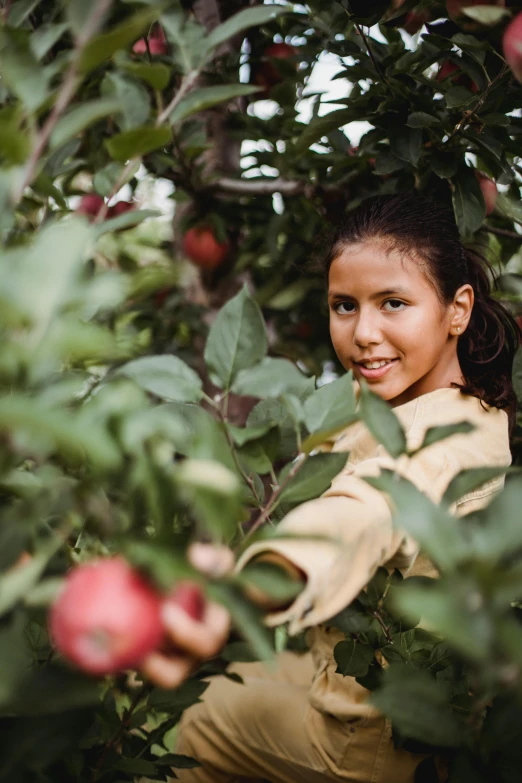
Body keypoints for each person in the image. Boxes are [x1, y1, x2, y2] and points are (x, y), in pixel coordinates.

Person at [141, 194, 520, 782]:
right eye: (345, 306)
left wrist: (242, 592)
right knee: (247, 671)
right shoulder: (404, 393)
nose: (365, 333)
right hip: (353, 670)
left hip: (375, 738)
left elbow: (361, 512)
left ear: (457, 310)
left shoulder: (444, 441)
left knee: (198, 720)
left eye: (393, 303)